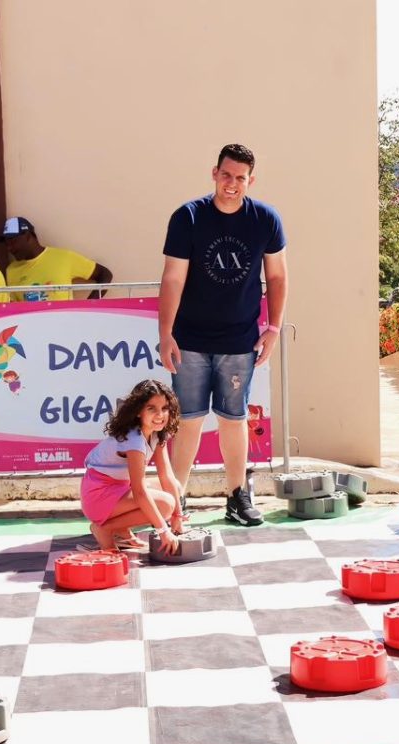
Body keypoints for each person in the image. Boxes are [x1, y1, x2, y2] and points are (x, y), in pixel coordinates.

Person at [158, 143, 288, 526]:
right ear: (214, 173)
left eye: (240, 178)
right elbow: (173, 277)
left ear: (251, 180)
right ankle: (175, 499)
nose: (232, 184)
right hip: (190, 340)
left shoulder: (265, 219)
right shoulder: (188, 217)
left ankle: (237, 496)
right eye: (226, 175)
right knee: (189, 421)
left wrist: (274, 328)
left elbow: (277, 276)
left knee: (234, 418)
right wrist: (166, 333)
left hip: (239, 340)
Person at [80, 379, 183, 554]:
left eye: (164, 408)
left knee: (173, 490)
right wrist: (163, 530)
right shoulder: (134, 440)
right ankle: (105, 529)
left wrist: (178, 516)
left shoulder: (157, 434)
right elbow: (139, 491)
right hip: (98, 496)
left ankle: (122, 530)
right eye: (152, 408)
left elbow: (167, 477)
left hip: (118, 488)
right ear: (138, 412)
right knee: (165, 504)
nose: (160, 415)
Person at [0, 217, 113, 301]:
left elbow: (105, 274)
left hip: (64, 329)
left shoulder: (64, 258)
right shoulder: (11, 270)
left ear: (28, 236)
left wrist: (87, 307)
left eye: (13, 241)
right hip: (31, 332)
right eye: (6, 244)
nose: (9, 248)